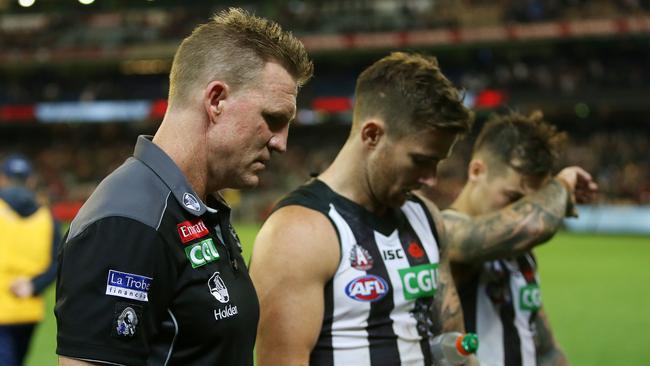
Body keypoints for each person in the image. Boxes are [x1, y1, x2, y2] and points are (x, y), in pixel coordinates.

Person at [55, 8, 312, 366]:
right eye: (272, 119)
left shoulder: (197, 206)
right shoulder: (129, 222)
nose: (281, 143)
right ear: (216, 100)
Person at [250, 52, 476, 366]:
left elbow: (456, 349)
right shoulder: (297, 233)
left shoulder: (425, 216)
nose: (430, 179)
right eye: (421, 160)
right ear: (372, 135)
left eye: (437, 163)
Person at [439, 111, 598, 366]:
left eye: (529, 202)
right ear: (477, 170)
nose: (519, 211)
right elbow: (532, 226)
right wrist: (563, 187)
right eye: (513, 198)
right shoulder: (442, 231)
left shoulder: (521, 255)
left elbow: (545, 350)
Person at [0, 154, 60, 366]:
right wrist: (34, 285)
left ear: (3, 178)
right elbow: (57, 264)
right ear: (30, 180)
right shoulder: (46, 217)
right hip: (29, 310)